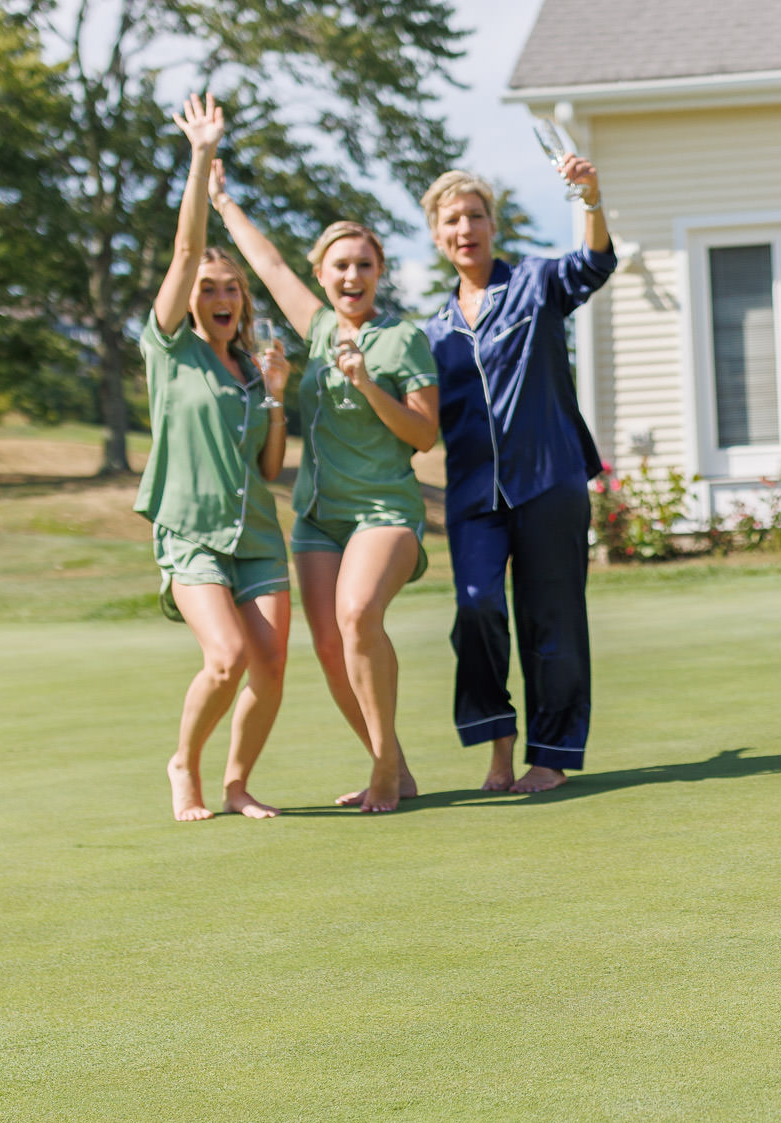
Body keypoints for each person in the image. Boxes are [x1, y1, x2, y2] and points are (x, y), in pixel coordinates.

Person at [209, 162, 441, 811]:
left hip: (385, 511)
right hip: (317, 518)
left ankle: (386, 771)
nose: (352, 276)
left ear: (379, 272)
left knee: (358, 613)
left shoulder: (403, 339)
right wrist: (223, 202)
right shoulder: (315, 329)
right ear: (323, 274)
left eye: (364, 265)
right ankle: (390, 762)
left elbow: (425, 436)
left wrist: (368, 382)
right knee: (330, 644)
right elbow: (268, 266)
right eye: (340, 265)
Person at [419, 164, 615, 794]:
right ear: (437, 236)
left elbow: (593, 262)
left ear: (492, 224)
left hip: (550, 478)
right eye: (452, 219)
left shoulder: (535, 282)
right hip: (474, 497)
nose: (465, 228)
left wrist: (589, 198)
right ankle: (497, 749)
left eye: (475, 216)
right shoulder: (432, 333)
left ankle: (550, 756)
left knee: (551, 618)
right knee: (476, 609)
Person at [137, 94, 292, 822]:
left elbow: (268, 470)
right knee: (227, 657)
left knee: (270, 665)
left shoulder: (250, 371)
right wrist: (202, 158)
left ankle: (236, 784)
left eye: (232, 288)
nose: (222, 294)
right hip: (192, 530)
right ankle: (184, 765)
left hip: (258, 533)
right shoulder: (169, 349)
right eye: (210, 288)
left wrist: (277, 398)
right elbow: (186, 249)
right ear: (190, 300)